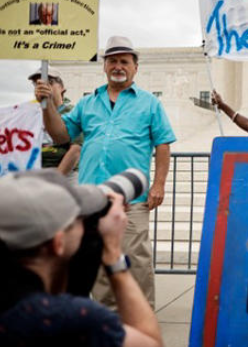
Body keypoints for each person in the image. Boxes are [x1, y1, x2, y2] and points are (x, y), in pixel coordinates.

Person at [33, 35, 176, 309]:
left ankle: (140, 319)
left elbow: (163, 144)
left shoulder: (149, 103)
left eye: (124, 61)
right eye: (112, 61)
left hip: (133, 198)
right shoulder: (88, 103)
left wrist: (159, 185)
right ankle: (108, 318)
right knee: (97, 262)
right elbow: (61, 135)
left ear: (135, 67)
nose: (118, 66)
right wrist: (48, 104)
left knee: (137, 259)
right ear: (104, 66)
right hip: (93, 198)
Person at [0, 169, 163, 347]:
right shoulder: (69, 318)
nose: (84, 225)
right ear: (58, 243)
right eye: (78, 220)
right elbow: (151, 343)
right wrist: (113, 255)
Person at [28, 67, 82, 181]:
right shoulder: (30, 114)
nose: (43, 86)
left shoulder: (73, 112)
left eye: (50, 82)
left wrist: (55, 180)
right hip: (34, 173)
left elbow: (76, 150)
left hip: (66, 175)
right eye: (37, 83)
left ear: (62, 88)